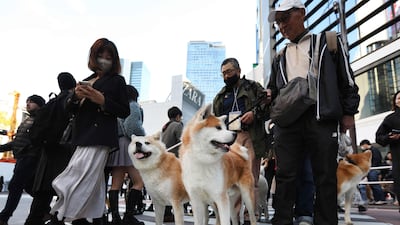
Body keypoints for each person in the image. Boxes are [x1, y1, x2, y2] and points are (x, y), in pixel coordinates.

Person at [266, 0, 360, 224]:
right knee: (285, 175)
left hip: (322, 118)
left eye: (285, 18)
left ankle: (325, 221)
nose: (282, 26)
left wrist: (348, 112)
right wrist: (269, 96)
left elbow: (347, 79)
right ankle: (282, 220)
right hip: (288, 123)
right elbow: (273, 87)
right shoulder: (279, 56)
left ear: (301, 13)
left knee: (325, 175)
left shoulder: (328, 42)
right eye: (278, 22)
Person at [48, 38, 130, 224]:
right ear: (93, 57)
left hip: (99, 135)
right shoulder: (88, 79)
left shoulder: (117, 81)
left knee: (79, 173)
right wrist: (76, 97)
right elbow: (70, 109)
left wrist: (102, 101)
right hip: (82, 134)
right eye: (100, 55)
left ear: (114, 59)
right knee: (92, 179)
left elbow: (124, 110)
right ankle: (91, 217)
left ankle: (60, 214)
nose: (104, 60)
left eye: (109, 57)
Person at [212, 57, 269, 220]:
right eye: (223, 73)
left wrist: (254, 114)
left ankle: (251, 215)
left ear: (238, 70)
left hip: (250, 136)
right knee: (231, 180)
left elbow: (267, 106)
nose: (226, 76)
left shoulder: (253, 87)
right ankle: (234, 216)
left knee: (250, 177)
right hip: (228, 139)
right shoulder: (220, 96)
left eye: (229, 72)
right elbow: (215, 120)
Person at [24, 72, 77, 225]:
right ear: (74, 84)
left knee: (43, 195)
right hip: (63, 152)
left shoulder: (52, 102)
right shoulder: (70, 101)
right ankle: (54, 220)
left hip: (47, 152)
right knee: (64, 193)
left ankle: (35, 220)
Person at [0, 94, 46, 225]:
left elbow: (38, 141)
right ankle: (45, 210)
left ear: (39, 104)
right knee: (30, 187)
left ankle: (4, 217)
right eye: (27, 102)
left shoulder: (41, 120)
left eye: (31, 102)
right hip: (22, 157)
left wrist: (28, 150)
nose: (28, 104)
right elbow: (16, 142)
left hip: (30, 157)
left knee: (15, 185)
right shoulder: (28, 120)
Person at [106, 84, 146, 225]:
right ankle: (128, 216)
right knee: (139, 182)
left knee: (115, 184)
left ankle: (115, 218)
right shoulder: (133, 105)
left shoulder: (116, 106)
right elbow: (132, 126)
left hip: (117, 144)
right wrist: (143, 138)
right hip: (129, 144)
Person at [376, 90, 400, 212]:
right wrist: (389, 137)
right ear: (395, 102)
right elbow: (379, 137)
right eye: (398, 98)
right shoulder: (390, 119)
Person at [160, 106, 183, 222]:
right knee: (174, 188)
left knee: (167, 187)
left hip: (164, 160)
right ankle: (170, 213)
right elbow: (182, 142)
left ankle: (166, 213)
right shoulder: (178, 125)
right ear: (178, 116)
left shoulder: (165, 127)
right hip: (174, 161)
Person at [359, 139, 386, 204]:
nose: (362, 147)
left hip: (373, 169)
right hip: (370, 169)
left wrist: (371, 167)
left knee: (375, 184)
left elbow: (376, 160)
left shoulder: (374, 150)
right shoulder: (368, 151)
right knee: (372, 184)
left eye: (362, 145)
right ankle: (377, 199)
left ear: (365, 144)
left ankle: (381, 199)